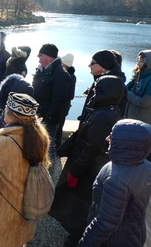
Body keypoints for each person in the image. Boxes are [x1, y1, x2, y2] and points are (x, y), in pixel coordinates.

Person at [49, 75, 125, 246]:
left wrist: (75, 172)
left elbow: (91, 147)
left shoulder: (104, 116)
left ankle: (77, 237)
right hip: (89, 168)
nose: (93, 92)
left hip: (87, 171)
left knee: (78, 205)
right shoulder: (107, 111)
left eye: (97, 90)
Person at [0, 93, 50, 247]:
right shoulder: (40, 137)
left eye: (6, 108)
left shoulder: (2, 143)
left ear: (10, 113)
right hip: (24, 209)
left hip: (0, 214)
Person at [79, 119, 151, 247]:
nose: (107, 138)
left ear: (125, 143)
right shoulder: (146, 166)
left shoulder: (115, 178)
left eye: (112, 135)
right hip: (135, 234)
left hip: (116, 240)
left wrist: (85, 243)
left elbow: (105, 224)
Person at [32, 43, 73, 146]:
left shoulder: (61, 74)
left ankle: (50, 162)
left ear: (48, 56)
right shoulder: (42, 70)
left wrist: (47, 119)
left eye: (40, 54)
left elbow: (58, 101)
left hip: (49, 121)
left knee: (48, 147)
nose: (38, 57)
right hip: (40, 115)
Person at [79, 49, 126, 123]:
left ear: (103, 66)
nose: (89, 65)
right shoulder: (101, 81)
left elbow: (102, 119)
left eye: (92, 63)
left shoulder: (111, 85)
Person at [56, 53, 76, 147]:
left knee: (57, 127)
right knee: (60, 126)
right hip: (65, 106)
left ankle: (55, 146)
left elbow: (69, 95)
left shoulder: (65, 76)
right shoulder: (73, 76)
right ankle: (57, 146)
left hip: (61, 105)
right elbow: (71, 95)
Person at [125, 50, 151, 124]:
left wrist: (127, 94)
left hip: (143, 123)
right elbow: (126, 88)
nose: (138, 63)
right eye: (138, 60)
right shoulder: (138, 75)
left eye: (141, 61)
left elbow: (145, 102)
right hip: (131, 119)